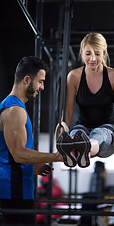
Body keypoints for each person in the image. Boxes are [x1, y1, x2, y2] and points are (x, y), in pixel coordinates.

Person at [0, 56, 63, 226]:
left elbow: (8, 152)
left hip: (17, 191)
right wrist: (55, 156)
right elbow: (19, 153)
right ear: (27, 79)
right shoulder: (14, 110)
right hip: (13, 193)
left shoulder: (13, 107)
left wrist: (33, 166)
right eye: (40, 82)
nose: (42, 87)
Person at [56, 32, 114, 168]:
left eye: (97, 53)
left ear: (104, 53)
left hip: (108, 130)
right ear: (81, 53)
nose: (92, 58)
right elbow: (67, 112)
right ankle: (77, 151)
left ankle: (85, 148)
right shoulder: (74, 76)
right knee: (76, 133)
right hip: (82, 126)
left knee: (99, 134)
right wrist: (62, 139)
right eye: (88, 53)